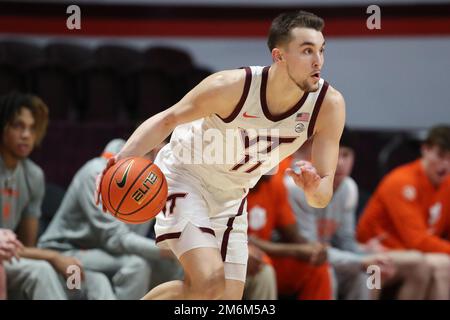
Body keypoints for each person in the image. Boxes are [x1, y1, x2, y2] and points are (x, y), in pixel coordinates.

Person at [96, 10, 346, 300]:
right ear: (279, 56)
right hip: (185, 176)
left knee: (223, 298)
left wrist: (314, 190)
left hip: (232, 197)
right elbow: (167, 119)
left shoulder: (328, 106)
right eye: (307, 51)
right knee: (209, 281)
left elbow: (322, 193)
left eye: (321, 50)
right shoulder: (231, 87)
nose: (318, 61)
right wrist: (119, 160)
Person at [286, 128, 433, 300]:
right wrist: (361, 260)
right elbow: (311, 250)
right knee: (328, 272)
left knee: (372, 273)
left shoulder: (349, 188)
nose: (340, 162)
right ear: (318, 155)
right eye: (335, 154)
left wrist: (369, 255)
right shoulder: (298, 186)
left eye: (346, 155)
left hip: (331, 258)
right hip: (297, 259)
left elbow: (346, 243)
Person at [0, 91, 114, 299]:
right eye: (18, 126)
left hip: (16, 259)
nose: (26, 134)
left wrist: (55, 259)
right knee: (40, 272)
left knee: (93, 281)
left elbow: (27, 246)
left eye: (32, 128)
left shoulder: (33, 175)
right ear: (3, 127)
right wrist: (52, 256)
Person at [38, 138, 183, 300]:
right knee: (136, 265)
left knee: (178, 265)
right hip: (67, 249)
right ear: (154, 149)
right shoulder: (97, 173)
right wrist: (167, 250)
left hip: (105, 251)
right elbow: (115, 239)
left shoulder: (153, 180)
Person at [357, 125, 450, 299]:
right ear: (425, 149)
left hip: (411, 255)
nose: (445, 164)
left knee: (439, 265)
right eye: (441, 156)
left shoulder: (447, 185)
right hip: (374, 255)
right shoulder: (401, 182)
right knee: (436, 263)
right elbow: (417, 241)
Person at [246, 174, 332, 300]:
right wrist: (296, 250)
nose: (275, 162)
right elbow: (243, 240)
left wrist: (314, 249)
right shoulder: (231, 181)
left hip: (266, 255)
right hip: (235, 253)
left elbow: (293, 234)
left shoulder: (275, 183)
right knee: (263, 267)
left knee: (317, 265)